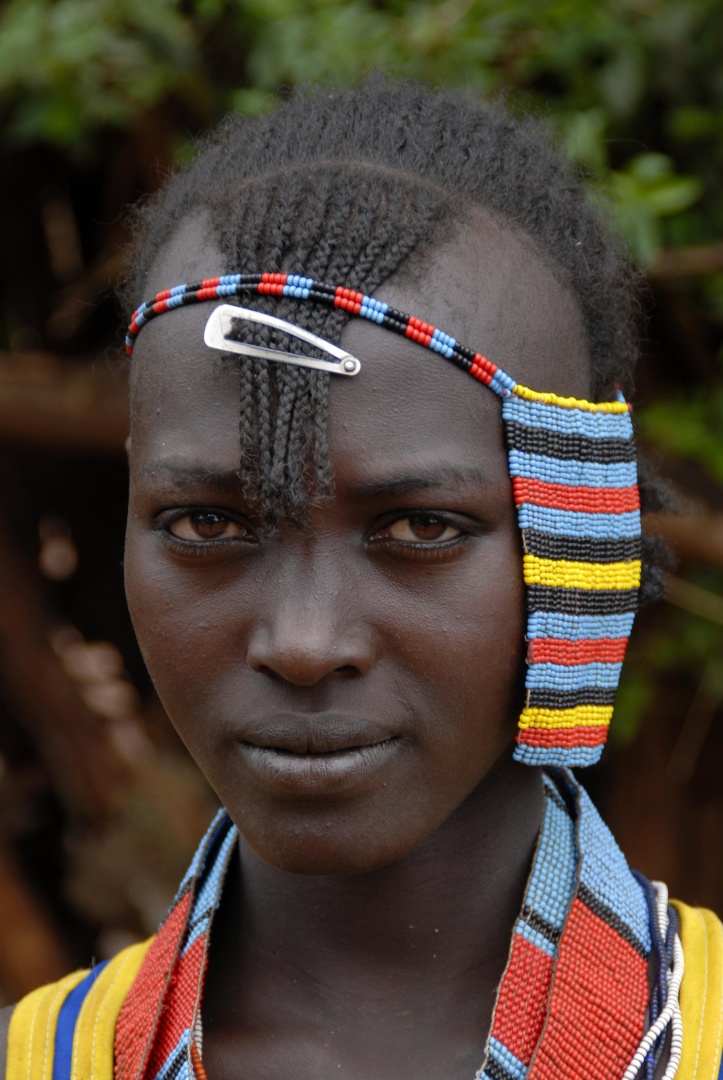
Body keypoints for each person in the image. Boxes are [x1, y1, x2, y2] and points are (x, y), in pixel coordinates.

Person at [2, 77, 722, 1080]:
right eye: (208, 522)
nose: (302, 643)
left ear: (583, 540)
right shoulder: (44, 1060)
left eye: (419, 527)